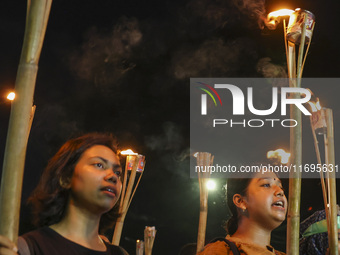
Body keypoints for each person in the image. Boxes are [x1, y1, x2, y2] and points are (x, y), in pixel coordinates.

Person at [0, 133, 128, 254]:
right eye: (99, 165)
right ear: (66, 178)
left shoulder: (119, 253)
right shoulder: (29, 248)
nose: (113, 177)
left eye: (118, 172)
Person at [198, 171, 287, 255]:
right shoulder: (219, 251)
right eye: (266, 185)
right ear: (241, 201)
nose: (280, 191)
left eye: (281, 187)